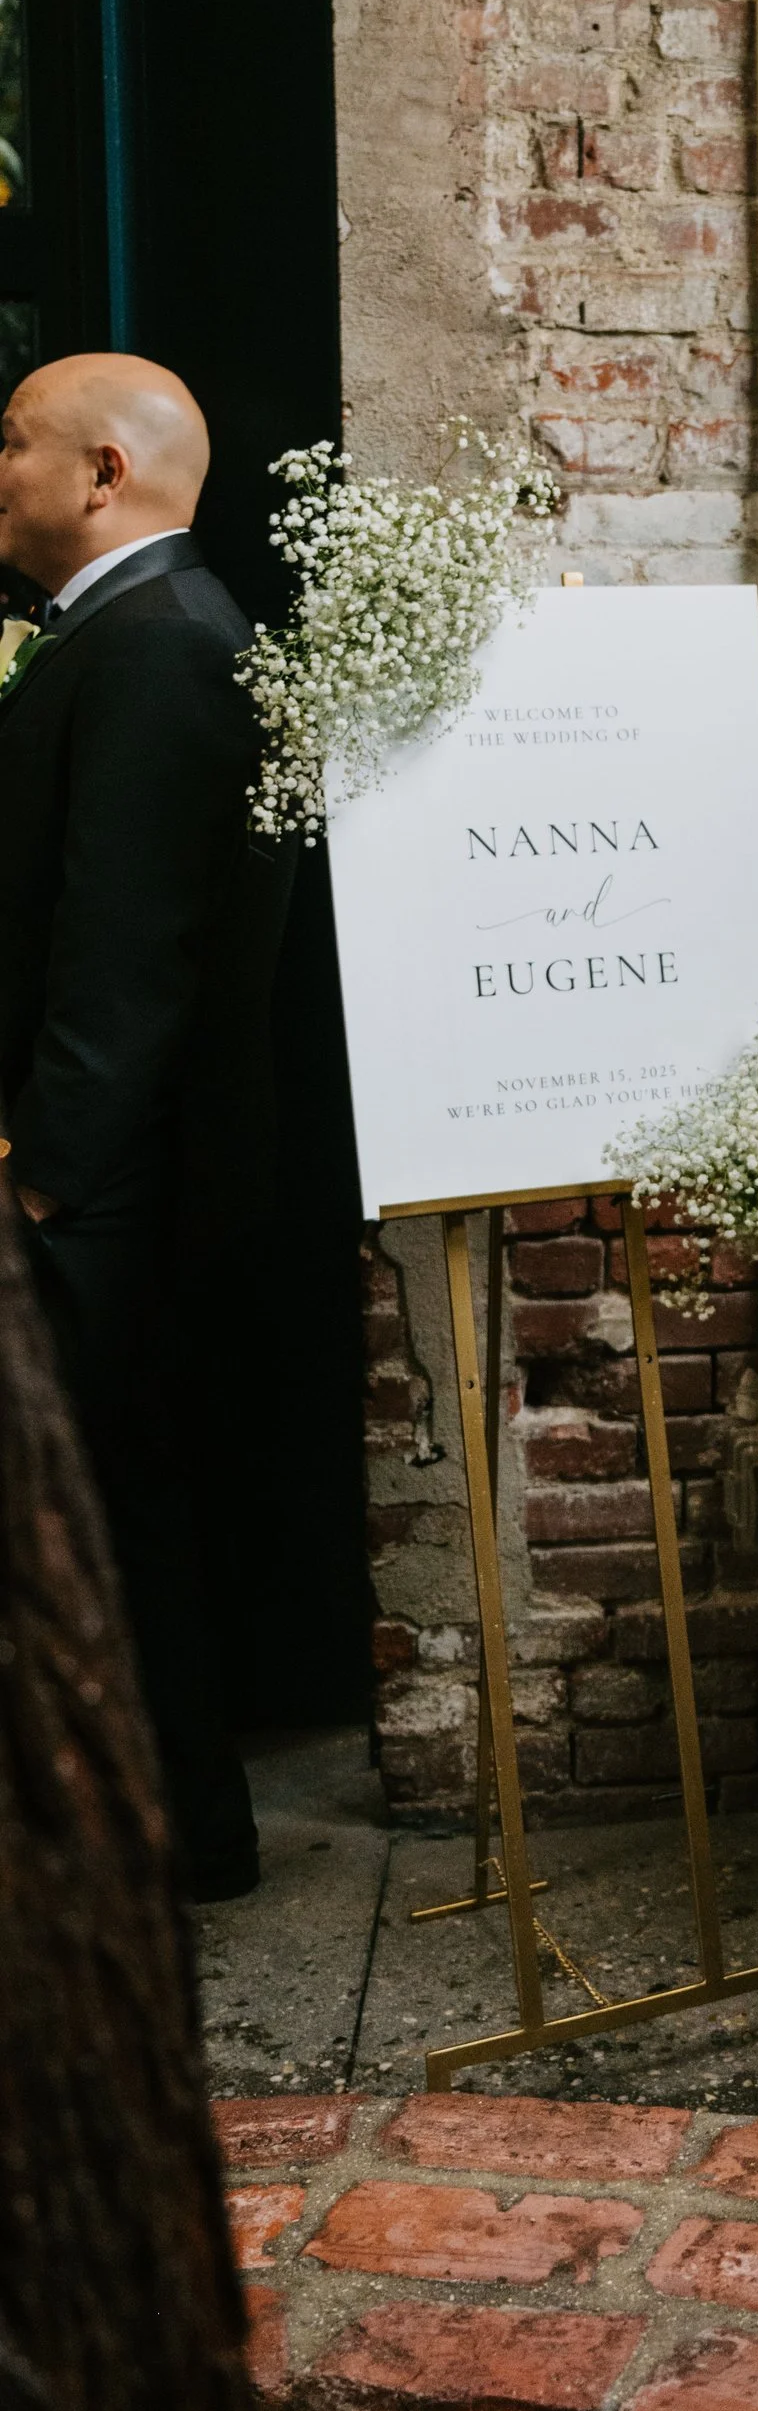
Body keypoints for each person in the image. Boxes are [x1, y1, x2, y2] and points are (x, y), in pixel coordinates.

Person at [0, 353, 293, 1900]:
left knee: (101, 1512)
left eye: (13, 441)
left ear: (103, 473)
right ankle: (173, 1835)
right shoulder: (137, 628)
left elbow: (127, 955)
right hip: (114, 1186)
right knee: (123, 1509)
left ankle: (154, 1839)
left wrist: (42, 1183)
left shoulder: (164, 644)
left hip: (105, 1196)